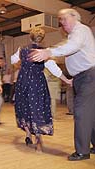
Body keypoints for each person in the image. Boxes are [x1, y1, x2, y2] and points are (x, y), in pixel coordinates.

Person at [29, 8, 95, 160]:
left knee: (81, 113)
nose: (61, 22)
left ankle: (82, 151)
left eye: (63, 18)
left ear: (74, 17)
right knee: (90, 113)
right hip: (85, 77)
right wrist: (51, 52)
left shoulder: (80, 30)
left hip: (88, 76)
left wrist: (49, 52)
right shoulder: (74, 35)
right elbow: (68, 48)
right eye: (60, 19)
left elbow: (72, 47)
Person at [11, 27, 72, 152]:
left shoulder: (22, 49)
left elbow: (13, 60)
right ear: (42, 39)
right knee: (36, 108)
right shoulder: (45, 52)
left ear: (30, 37)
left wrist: (20, 63)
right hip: (37, 83)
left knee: (24, 108)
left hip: (23, 82)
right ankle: (38, 139)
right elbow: (53, 68)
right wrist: (67, 80)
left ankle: (28, 135)